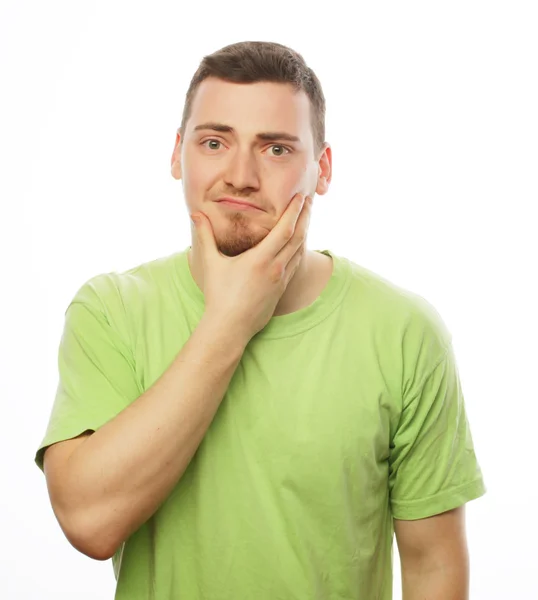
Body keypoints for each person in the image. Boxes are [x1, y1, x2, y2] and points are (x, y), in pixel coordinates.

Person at [35, 40, 486, 600]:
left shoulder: (404, 331)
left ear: (321, 169)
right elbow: (88, 521)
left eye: (275, 149)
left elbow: (434, 567)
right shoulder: (111, 310)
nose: (240, 175)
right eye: (214, 142)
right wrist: (230, 320)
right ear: (178, 154)